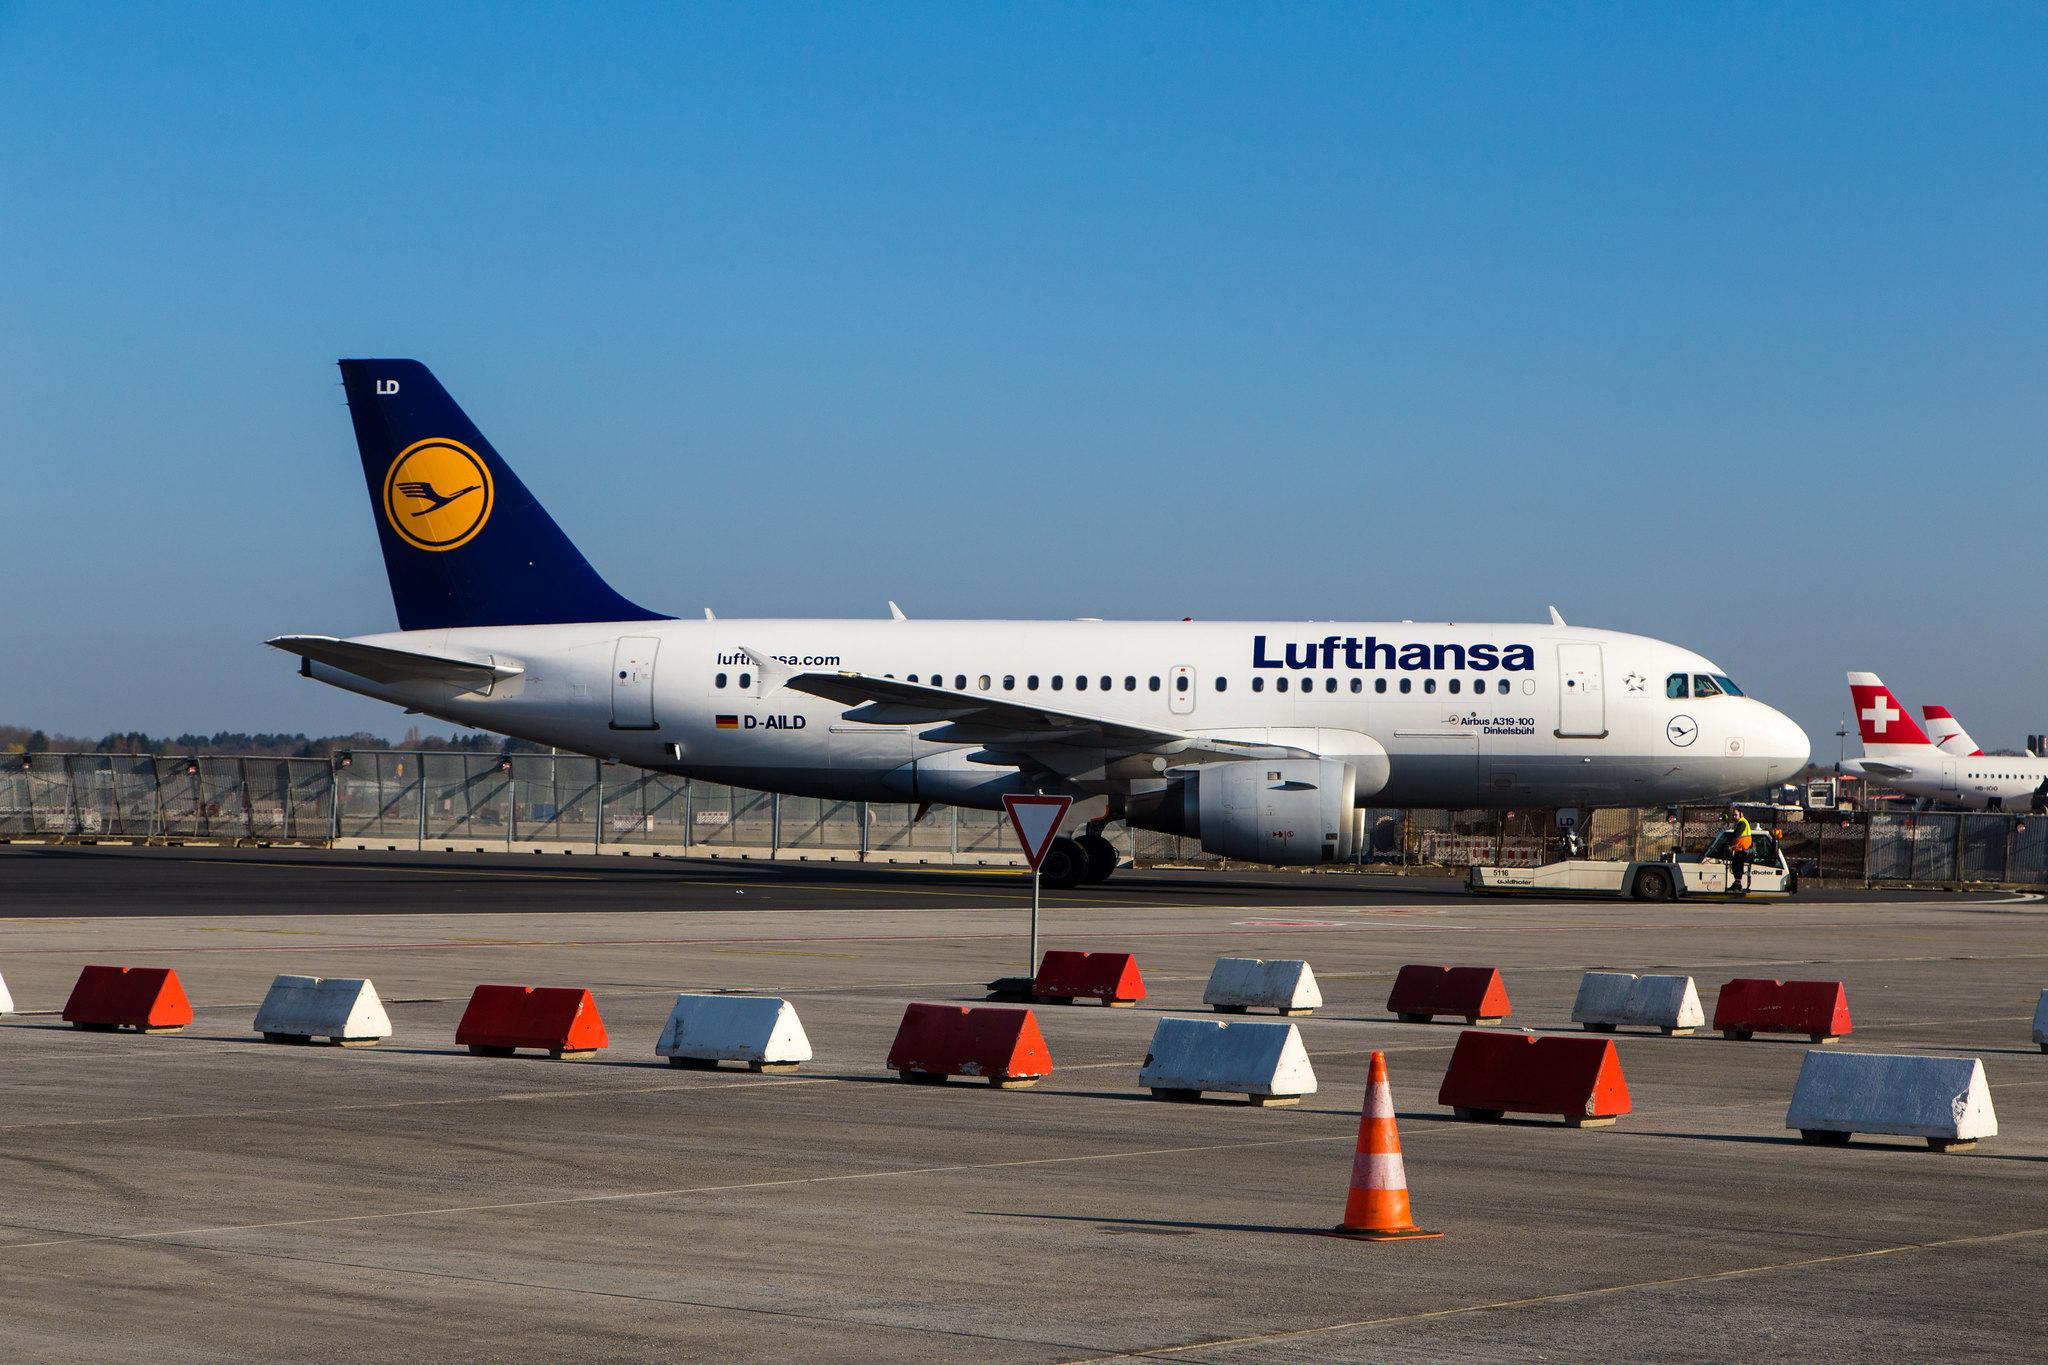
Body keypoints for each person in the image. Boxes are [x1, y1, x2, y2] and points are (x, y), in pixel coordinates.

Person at [1726, 805, 1754, 893]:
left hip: (1742, 849)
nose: (1734, 817)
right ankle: (1737, 884)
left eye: (1736, 815)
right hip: (1739, 848)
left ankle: (1737, 885)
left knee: (1737, 866)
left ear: (1741, 814)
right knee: (1735, 866)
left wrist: (1728, 843)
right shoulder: (1740, 822)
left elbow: (1736, 835)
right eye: (1733, 815)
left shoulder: (1742, 823)